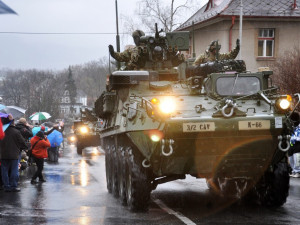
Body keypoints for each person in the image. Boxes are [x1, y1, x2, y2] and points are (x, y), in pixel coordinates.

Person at [0, 116, 27, 192]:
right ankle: (13, 186)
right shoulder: (16, 132)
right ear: (12, 123)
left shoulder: (1, 131)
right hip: (14, 154)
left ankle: (6, 186)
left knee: (4, 170)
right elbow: (22, 142)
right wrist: (24, 147)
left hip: (3, 154)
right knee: (14, 170)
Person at [289, 112, 300, 178]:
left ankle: (298, 171)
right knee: (291, 158)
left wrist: (295, 138)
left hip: (298, 143)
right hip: (291, 143)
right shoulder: (291, 126)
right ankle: (294, 171)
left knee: (297, 157)